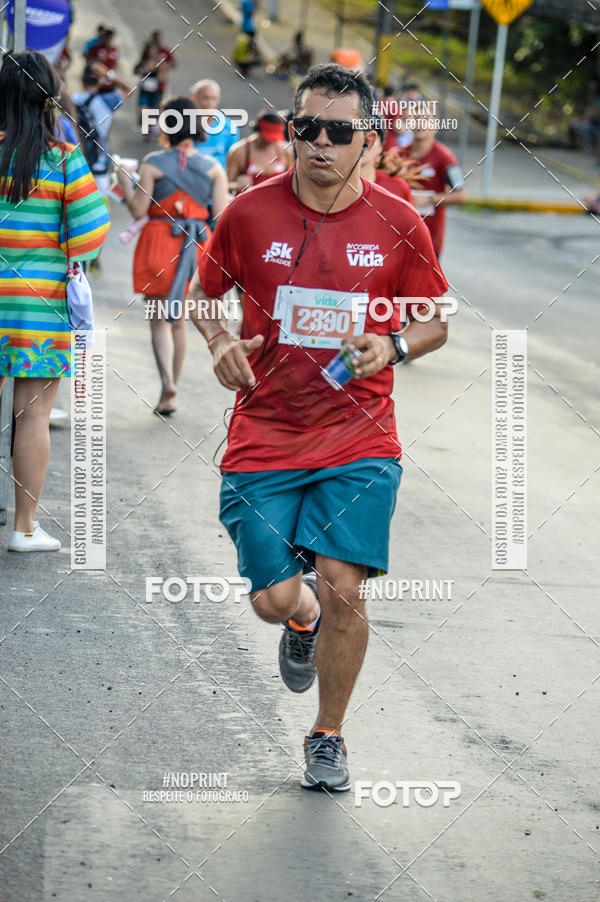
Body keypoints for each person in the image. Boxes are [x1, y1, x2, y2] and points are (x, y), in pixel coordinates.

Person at [187, 63, 449, 791]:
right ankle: (298, 622)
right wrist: (218, 343)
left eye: (339, 131)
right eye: (307, 128)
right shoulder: (248, 213)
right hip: (266, 431)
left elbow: (434, 320)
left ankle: (328, 734)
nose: (320, 143)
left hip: (359, 436)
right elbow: (204, 294)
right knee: (276, 598)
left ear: (367, 140)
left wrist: (392, 345)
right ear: (292, 131)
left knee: (345, 587)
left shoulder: (400, 220)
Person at [0, 51, 110, 552]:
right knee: (33, 417)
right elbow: (89, 237)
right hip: (39, 308)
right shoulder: (63, 159)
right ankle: (23, 528)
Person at [116, 96, 228, 416]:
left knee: (157, 319)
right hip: (193, 248)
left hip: (157, 242)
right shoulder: (214, 168)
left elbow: (138, 209)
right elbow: (220, 218)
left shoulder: (152, 163)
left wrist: (125, 180)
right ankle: (172, 391)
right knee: (178, 321)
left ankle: (166, 382)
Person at [394, 116, 467, 257]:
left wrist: (429, 199)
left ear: (435, 126)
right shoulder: (397, 155)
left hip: (430, 238)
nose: (420, 123)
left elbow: (462, 195)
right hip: (400, 237)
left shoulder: (445, 158)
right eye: (415, 119)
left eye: (425, 119)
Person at [226, 110, 293, 192]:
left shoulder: (285, 151)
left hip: (277, 203)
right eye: (268, 136)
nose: (270, 141)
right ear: (258, 130)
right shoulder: (240, 151)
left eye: (274, 137)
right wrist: (237, 185)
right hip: (249, 203)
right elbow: (225, 187)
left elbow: (291, 184)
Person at [360, 117, 413, 204]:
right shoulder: (333, 187)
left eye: (371, 138)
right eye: (359, 134)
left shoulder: (398, 188)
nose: (364, 144)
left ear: (380, 147)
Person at [190, 79, 239, 169]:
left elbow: (233, 160)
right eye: (205, 98)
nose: (210, 103)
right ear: (193, 98)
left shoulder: (229, 127)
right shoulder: (185, 125)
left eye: (214, 98)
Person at [84, 27, 119, 93]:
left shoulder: (114, 50)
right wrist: (97, 59)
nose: (108, 40)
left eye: (110, 38)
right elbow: (88, 63)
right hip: (96, 83)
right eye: (107, 37)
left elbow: (116, 64)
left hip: (109, 83)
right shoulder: (95, 48)